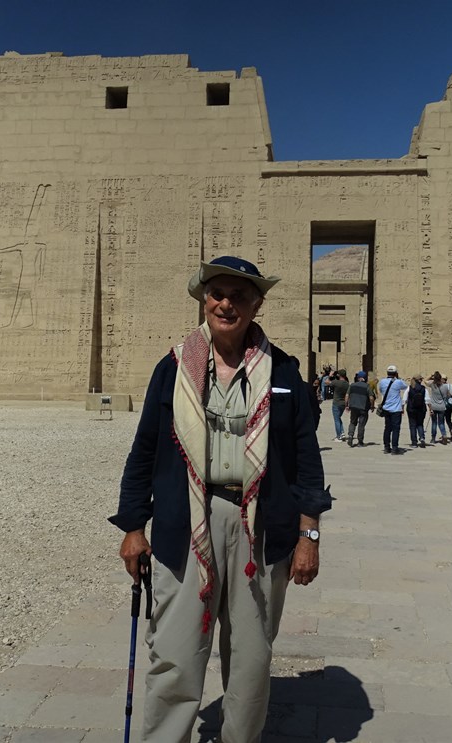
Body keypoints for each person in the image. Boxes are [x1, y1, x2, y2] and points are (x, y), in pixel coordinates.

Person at [108, 255, 332, 742]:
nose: (226, 303)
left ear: (257, 305)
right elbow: (145, 450)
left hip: (262, 525)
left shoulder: (284, 372)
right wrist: (132, 527)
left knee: (251, 657)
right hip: (184, 519)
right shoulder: (172, 368)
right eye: (217, 294)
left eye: (240, 295)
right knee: (175, 652)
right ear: (203, 299)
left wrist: (308, 533)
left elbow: (305, 457)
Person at [377, 365, 408, 454]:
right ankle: (394, 448)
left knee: (387, 428)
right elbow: (405, 386)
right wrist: (398, 378)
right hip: (396, 409)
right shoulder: (398, 382)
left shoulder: (382, 382)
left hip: (386, 408)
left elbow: (381, 390)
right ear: (395, 373)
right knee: (396, 429)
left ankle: (386, 447)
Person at [344, 371, 375, 447]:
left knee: (352, 422)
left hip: (353, 407)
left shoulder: (352, 385)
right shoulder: (367, 386)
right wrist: (372, 406)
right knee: (361, 425)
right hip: (363, 408)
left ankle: (350, 436)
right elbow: (371, 398)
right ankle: (360, 441)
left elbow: (347, 396)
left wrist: (346, 405)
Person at [405, 374, 428, 448]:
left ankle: (414, 442)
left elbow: (404, 399)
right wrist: (430, 409)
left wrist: (402, 408)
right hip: (421, 409)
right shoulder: (424, 388)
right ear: (419, 380)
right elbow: (427, 400)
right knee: (420, 424)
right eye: (421, 379)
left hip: (411, 409)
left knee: (412, 426)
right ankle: (422, 437)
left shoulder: (409, 388)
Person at [426, 371, 448, 444]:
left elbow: (425, 381)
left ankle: (433, 438)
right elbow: (445, 397)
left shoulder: (432, 384)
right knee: (441, 423)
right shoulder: (445, 386)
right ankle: (444, 435)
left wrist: (431, 375)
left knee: (434, 423)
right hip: (442, 407)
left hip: (433, 406)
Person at [330, 369, 350, 442]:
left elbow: (326, 382)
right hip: (343, 404)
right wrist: (347, 405)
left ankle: (339, 437)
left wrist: (330, 375)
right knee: (338, 418)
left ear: (339, 375)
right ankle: (342, 433)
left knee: (336, 420)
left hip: (336, 403)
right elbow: (348, 395)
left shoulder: (336, 382)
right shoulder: (347, 384)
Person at [440, 375, 452, 441]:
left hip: (443, 405)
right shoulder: (451, 385)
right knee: (448, 419)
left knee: (442, 420)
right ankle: (451, 430)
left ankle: (444, 434)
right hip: (450, 404)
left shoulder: (441, 387)